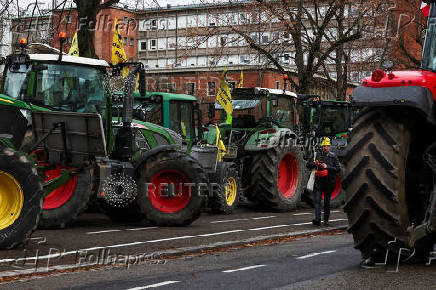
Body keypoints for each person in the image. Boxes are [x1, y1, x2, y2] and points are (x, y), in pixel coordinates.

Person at [307, 137, 341, 226]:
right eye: (324, 146)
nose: (325, 147)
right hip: (318, 182)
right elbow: (308, 164)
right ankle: (318, 219)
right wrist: (315, 163)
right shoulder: (316, 155)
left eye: (327, 146)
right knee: (317, 201)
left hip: (329, 183)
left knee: (327, 202)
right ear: (321, 146)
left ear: (330, 147)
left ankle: (326, 220)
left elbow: (338, 169)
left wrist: (327, 167)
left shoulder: (333, 156)